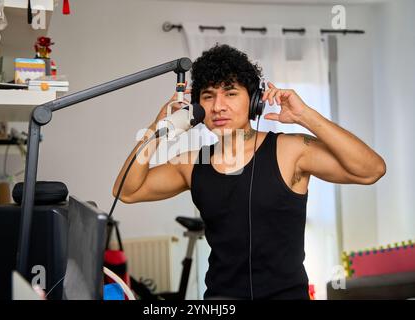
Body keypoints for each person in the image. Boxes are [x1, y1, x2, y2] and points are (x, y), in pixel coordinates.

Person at [112, 44, 386, 300]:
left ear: (253, 100)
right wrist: (159, 126)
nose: (218, 106)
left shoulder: (290, 151)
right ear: (197, 109)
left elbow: (371, 170)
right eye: (208, 96)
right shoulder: (194, 162)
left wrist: (305, 116)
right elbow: (126, 190)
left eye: (230, 93)